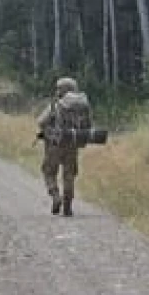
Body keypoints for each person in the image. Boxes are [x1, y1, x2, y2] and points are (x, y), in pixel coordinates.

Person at [35, 77, 93, 217]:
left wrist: (47, 130)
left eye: (58, 88)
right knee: (69, 175)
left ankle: (55, 196)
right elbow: (89, 124)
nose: (57, 90)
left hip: (55, 145)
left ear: (63, 89)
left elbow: (41, 121)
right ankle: (68, 205)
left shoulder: (57, 104)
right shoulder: (83, 104)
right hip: (72, 145)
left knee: (48, 171)